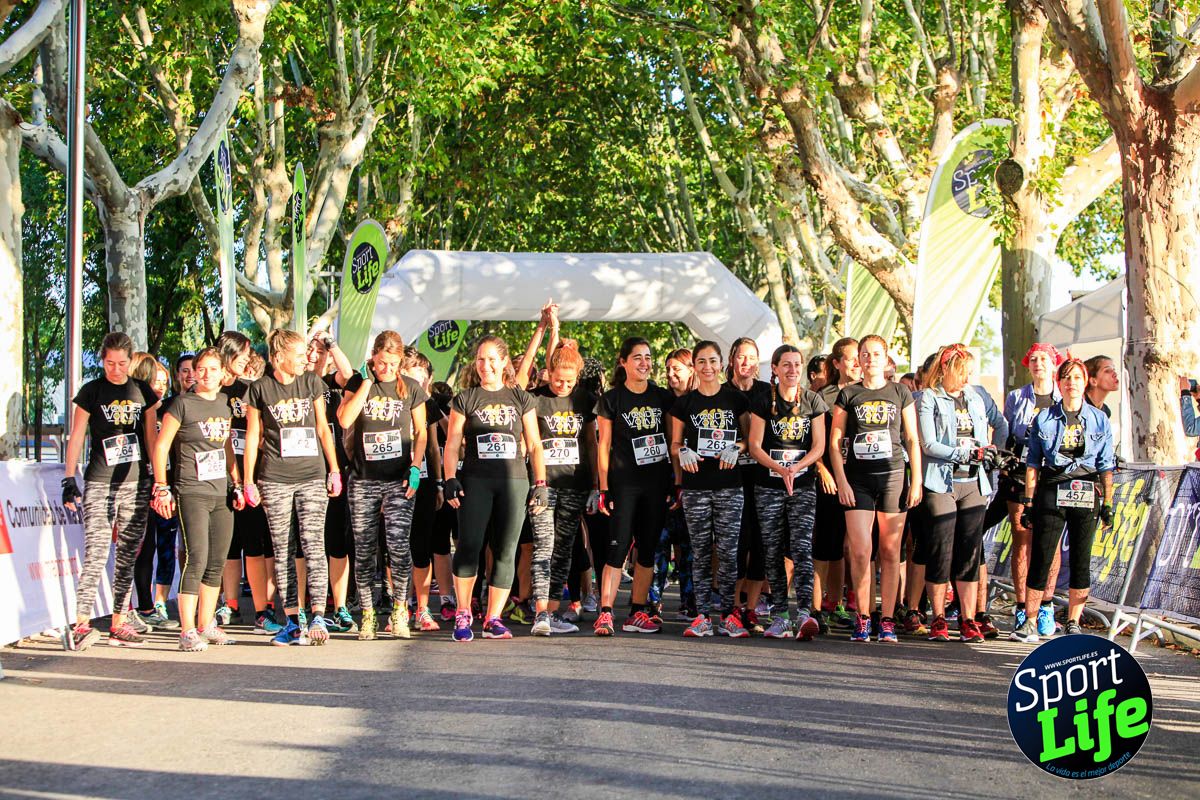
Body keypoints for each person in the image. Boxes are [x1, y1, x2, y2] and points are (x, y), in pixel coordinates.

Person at [443, 335, 549, 641]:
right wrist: (450, 478)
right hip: (475, 481)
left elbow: (534, 445)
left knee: (505, 549)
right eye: (480, 359)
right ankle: (464, 612)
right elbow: (452, 444)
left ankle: (493, 618)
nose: (485, 365)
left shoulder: (520, 398)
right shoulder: (466, 398)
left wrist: (540, 483)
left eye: (491, 359)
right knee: (469, 545)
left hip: (513, 482)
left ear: (504, 362)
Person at [243, 329, 343, 646]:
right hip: (274, 478)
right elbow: (252, 437)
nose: (306, 359)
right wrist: (248, 480)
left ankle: (318, 615)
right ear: (279, 357)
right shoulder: (260, 389)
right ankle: (291, 620)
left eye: (306, 354)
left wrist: (334, 470)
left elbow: (323, 429)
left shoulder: (311, 382)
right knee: (282, 548)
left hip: (312, 475)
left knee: (313, 544)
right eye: (300, 355)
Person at [61, 332, 159, 649]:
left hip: (136, 481)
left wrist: (159, 480)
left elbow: (152, 438)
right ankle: (81, 623)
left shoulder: (142, 391)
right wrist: (69, 479)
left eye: (122, 363)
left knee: (128, 554)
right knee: (97, 552)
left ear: (131, 361)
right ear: (102, 360)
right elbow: (77, 435)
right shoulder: (92, 391)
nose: (116, 370)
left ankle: (119, 621)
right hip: (100, 481)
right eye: (109, 363)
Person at [1011, 359, 1115, 642]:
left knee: (1081, 559)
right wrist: (1029, 503)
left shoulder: (1099, 419)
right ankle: (1030, 620)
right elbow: (1033, 463)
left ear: (1085, 382)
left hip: (1086, 490)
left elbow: (1106, 465)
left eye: (1077, 378)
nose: (1072, 383)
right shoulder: (1045, 418)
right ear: (1060, 383)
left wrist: (1108, 504)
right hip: (1053, 488)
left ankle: (1073, 622)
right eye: (1067, 378)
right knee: (1042, 556)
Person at [830, 335, 922, 643]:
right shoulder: (849, 394)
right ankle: (863, 617)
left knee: (891, 551)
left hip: (893, 476)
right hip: (858, 480)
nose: (870, 359)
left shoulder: (900, 392)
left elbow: (912, 439)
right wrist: (841, 481)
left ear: (886, 359)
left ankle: (887, 620)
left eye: (876, 354)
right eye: (865, 354)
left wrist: (916, 479)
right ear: (859, 359)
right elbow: (835, 442)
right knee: (860, 551)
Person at [339, 331, 429, 640]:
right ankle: (367, 614)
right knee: (364, 549)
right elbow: (345, 419)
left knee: (398, 547)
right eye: (380, 363)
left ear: (400, 361)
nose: (386, 369)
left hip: (399, 480)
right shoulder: (360, 382)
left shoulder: (411, 388)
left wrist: (415, 466)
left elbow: (421, 432)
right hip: (364, 479)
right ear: (372, 358)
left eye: (392, 364)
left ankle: (400, 610)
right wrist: (366, 382)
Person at [151, 348, 242, 651]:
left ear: (223, 373)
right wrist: (161, 486)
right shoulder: (182, 404)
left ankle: (206, 624)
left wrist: (238, 482)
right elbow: (161, 446)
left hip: (221, 491)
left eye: (213, 369)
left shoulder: (224, 404)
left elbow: (227, 447)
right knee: (196, 557)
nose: (205, 375)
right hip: (191, 491)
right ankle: (187, 630)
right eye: (200, 369)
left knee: (216, 561)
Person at [594, 337, 675, 636]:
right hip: (623, 485)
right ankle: (605, 612)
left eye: (648, 357)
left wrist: (675, 482)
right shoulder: (611, 399)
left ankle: (637, 612)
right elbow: (603, 446)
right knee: (617, 549)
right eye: (637, 357)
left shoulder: (662, 397)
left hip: (656, 484)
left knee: (647, 550)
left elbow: (673, 440)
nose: (644, 363)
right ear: (623, 362)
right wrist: (604, 488)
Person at [669, 341, 751, 638]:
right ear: (694, 366)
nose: (707, 367)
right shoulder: (684, 403)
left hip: (730, 486)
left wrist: (737, 448)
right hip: (696, 487)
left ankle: (729, 614)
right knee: (701, 552)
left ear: (721, 364)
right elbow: (674, 443)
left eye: (712, 361)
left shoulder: (736, 399)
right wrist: (682, 452)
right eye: (701, 361)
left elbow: (749, 440)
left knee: (728, 553)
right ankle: (702, 615)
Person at [749, 344, 828, 641]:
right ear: (775, 369)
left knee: (802, 548)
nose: (792, 370)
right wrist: (779, 469)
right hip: (769, 485)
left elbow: (819, 446)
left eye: (797, 364)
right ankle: (780, 615)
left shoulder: (813, 401)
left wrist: (796, 468)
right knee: (772, 550)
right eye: (786, 364)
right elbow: (754, 446)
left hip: (803, 485)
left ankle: (805, 613)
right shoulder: (762, 401)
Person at [917, 345, 994, 643]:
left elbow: (986, 433)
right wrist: (964, 453)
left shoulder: (975, 397)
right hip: (941, 481)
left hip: (974, 481)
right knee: (941, 549)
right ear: (946, 370)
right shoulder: (929, 397)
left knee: (970, 551)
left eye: (969, 373)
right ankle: (937, 616)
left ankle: (968, 617)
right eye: (962, 373)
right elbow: (929, 444)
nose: (966, 379)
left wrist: (986, 452)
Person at [527, 340, 595, 635]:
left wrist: (596, 485)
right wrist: (538, 483)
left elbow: (591, 442)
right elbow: (532, 443)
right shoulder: (536, 399)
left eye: (569, 382)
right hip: (544, 484)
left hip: (575, 484)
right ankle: (540, 612)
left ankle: (553, 612)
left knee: (564, 549)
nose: (563, 386)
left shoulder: (585, 399)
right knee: (544, 545)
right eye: (558, 380)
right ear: (549, 373)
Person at [998, 343, 1065, 636]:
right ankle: (1023, 607)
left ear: (1054, 365)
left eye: (1044, 359)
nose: (1038, 364)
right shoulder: (1017, 397)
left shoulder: (1064, 397)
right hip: (1021, 474)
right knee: (1022, 539)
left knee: (1049, 542)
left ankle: (1046, 606)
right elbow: (1007, 434)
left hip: (1053, 476)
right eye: (1033, 359)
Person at [217, 331, 281, 635]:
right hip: (215, 479)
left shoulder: (251, 389)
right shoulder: (207, 389)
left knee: (254, 544)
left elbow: (263, 433)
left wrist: (250, 479)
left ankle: (261, 611)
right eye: (242, 355)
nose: (246, 359)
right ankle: (225, 605)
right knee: (224, 547)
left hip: (249, 478)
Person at [306, 332, 356, 632]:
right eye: (309, 350)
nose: (314, 355)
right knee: (307, 542)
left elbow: (349, 375)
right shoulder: (296, 384)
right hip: (303, 469)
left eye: (319, 351)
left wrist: (332, 345)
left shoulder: (332, 383)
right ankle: (308, 605)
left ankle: (340, 606)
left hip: (335, 469)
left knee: (337, 540)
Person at [129, 353, 180, 631]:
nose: (159, 386)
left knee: (157, 546)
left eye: (163, 382)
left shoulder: (167, 408)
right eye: (153, 380)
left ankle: (151, 605)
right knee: (139, 548)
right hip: (137, 483)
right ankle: (135, 608)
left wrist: (161, 484)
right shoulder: (134, 407)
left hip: (159, 483)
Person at [813, 338, 860, 630]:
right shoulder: (824, 396)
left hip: (860, 478)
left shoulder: (869, 393)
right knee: (825, 544)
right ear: (837, 363)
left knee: (848, 546)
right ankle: (816, 608)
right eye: (852, 358)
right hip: (829, 478)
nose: (857, 364)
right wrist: (821, 469)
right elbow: (812, 440)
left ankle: (837, 604)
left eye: (860, 358)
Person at [404, 349, 451, 631]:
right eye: (413, 376)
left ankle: (423, 608)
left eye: (423, 377)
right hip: (392, 481)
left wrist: (439, 483)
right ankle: (401, 604)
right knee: (397, 546)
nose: (418, 382)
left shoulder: (427, 403)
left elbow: (433, 447)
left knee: (422, 544)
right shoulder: (389, 398)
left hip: (423, 481)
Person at [725, 337, 771, 628]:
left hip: (763, 476)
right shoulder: (720, 393)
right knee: (737, 543)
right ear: (732, 359)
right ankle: (734, 606)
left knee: (761, 542)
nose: (746, 362)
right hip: (731, 477)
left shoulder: (767, 392)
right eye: (741, 356)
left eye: (752, 357)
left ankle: (752, 607)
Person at [652, 348, 697, 621]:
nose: (671, 374)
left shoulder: (701, 399)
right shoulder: (664, 401)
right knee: (660, 543)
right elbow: (671, 448)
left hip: (694, 481)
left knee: (690, 548)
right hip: (665, 480)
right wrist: (675, 484)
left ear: (691, 370)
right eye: (668, 369)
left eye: (676, 369)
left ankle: (689, 602)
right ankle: (653, 603)